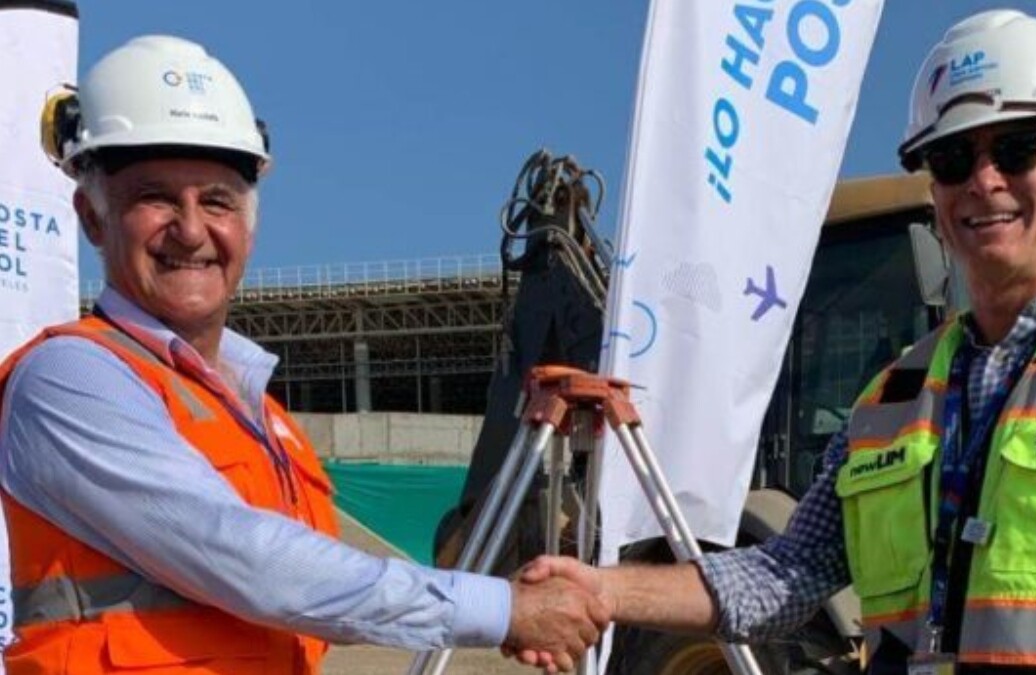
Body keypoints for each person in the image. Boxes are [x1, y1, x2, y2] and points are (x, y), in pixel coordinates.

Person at [516, 9, 1036, 674]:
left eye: (1016, 146)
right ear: (935, 192)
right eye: (953, 157)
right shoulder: (889, 405)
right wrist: (605, 589)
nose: (983, 180)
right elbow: (785, 572)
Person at [0, 35, 607, 674]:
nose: (190, 229)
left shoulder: (268, 421)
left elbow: (323, 594)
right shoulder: (70, 379)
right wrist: (505, 608)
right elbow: (252, 562)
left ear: (250, 224)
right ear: (92, 218)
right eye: (154, 197)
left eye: (216, 200)